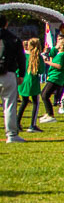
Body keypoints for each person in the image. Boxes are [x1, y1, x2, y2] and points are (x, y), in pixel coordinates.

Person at [1, 15, 27, 143]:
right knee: (9, 105)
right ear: (6, 24)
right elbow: (21, 59)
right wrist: (21, 74)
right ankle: (11, 134)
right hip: (8, 73)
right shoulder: (14, 39)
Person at [39, 38, 64, 124]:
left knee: (45, 95)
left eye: (58, 43)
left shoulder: (61, 55)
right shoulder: (62, 54)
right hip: (54, 76)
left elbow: (59, 65)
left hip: (56, 77)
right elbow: (52, 52)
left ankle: (50, 115)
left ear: (61, 46)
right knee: (43, 94)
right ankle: (48, 113)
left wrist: (47, 62)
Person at [17, 38, 43, 134]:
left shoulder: (23, 56)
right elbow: (41, 71)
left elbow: (17, 68)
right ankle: (32, 125)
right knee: (36, 103)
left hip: (23, 81)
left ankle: (17, 123)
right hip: (33, 82)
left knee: (24, 102)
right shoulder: (38, 57)